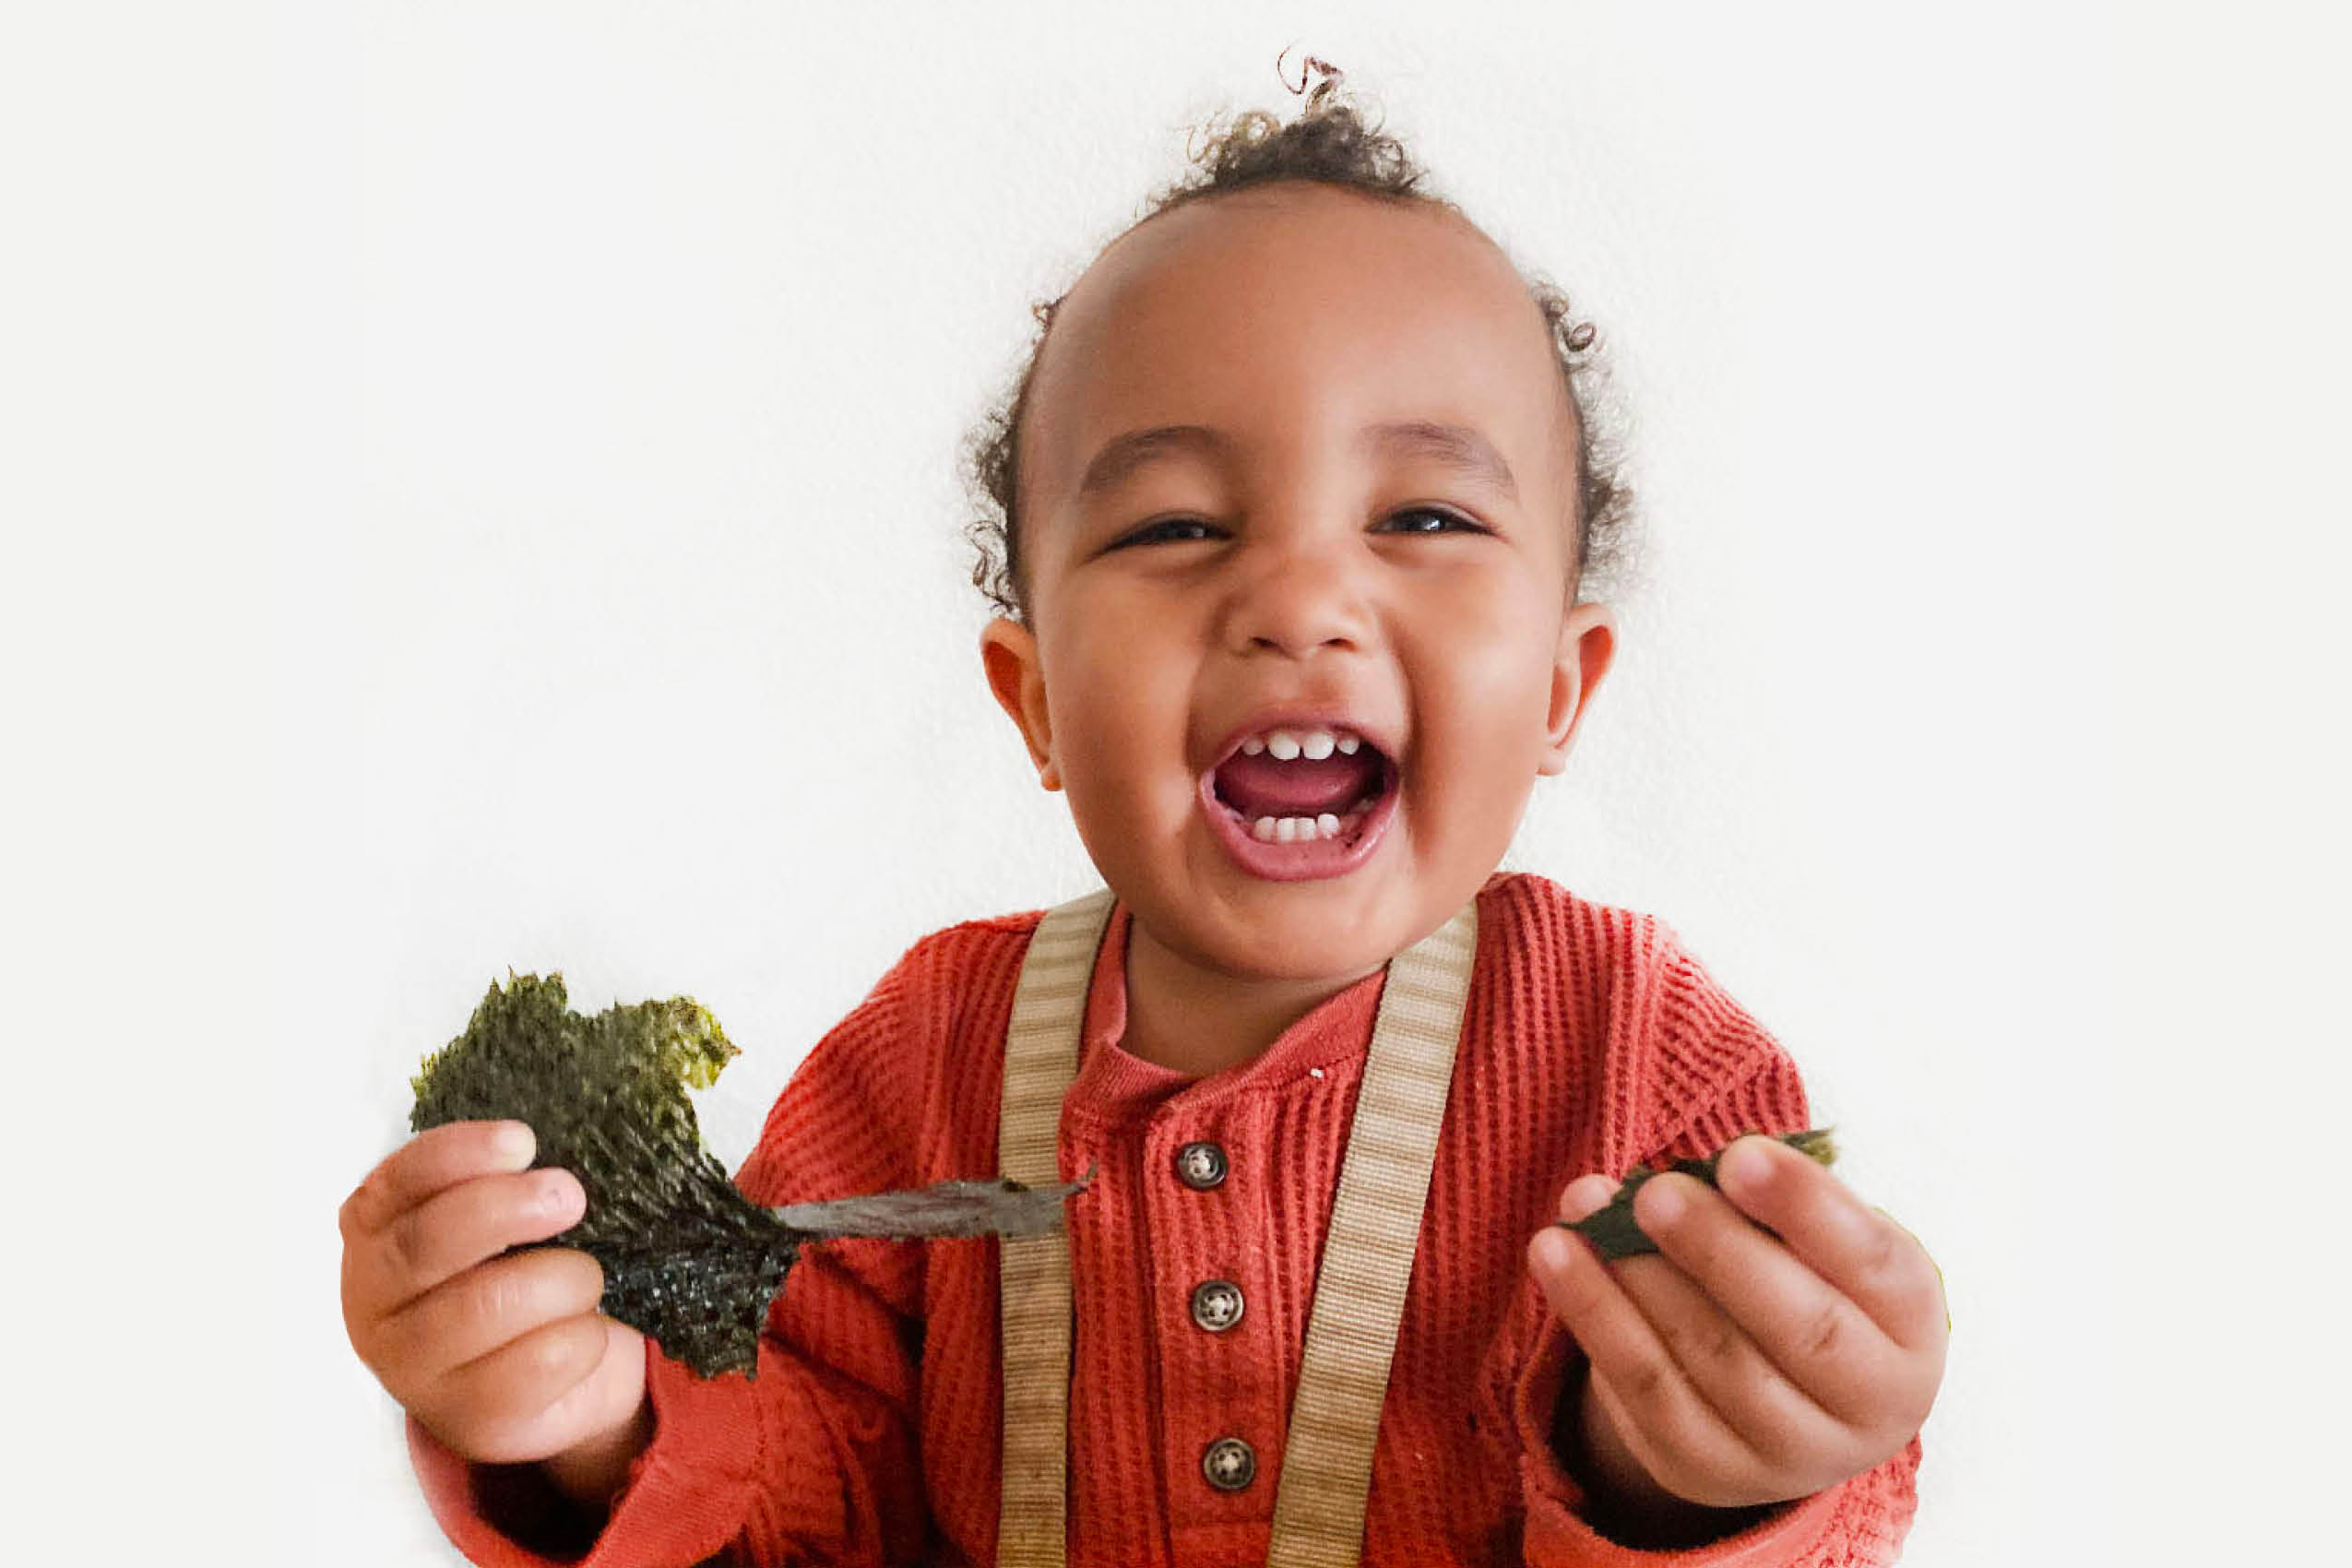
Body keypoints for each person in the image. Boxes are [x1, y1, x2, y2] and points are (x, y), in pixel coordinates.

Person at [340, 59, 1946, 1568]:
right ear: (1032, 699)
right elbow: (793, 1494)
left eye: (1426, 515)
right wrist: (580, 1428)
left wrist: (1711, 1472)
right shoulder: (912, 1072)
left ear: (1557, 692)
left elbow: (1776, 1492)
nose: (1299, 595)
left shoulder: (1647, 1068)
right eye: (1176, 523)